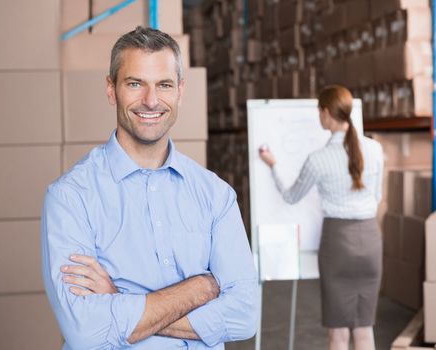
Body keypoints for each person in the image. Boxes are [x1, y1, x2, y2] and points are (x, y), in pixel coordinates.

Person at [41, 26, 259, 350]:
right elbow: (85, 331)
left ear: (180, 91)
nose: (151, 100)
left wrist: (120, 302)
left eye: (164, 85)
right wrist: (198, 289)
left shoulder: (215, 194)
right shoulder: (71, 197)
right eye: (135, 83)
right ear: (111, 89)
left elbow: (245, 317)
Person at [259, 85, 384, 350]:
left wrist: (273, 165)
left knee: (338, 333)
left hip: (338, 244)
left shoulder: (319, 159)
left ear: (326, 113)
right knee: (364, 330)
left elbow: (291, 196)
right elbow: (376, 197)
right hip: (371, 240)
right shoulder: (375, 149)